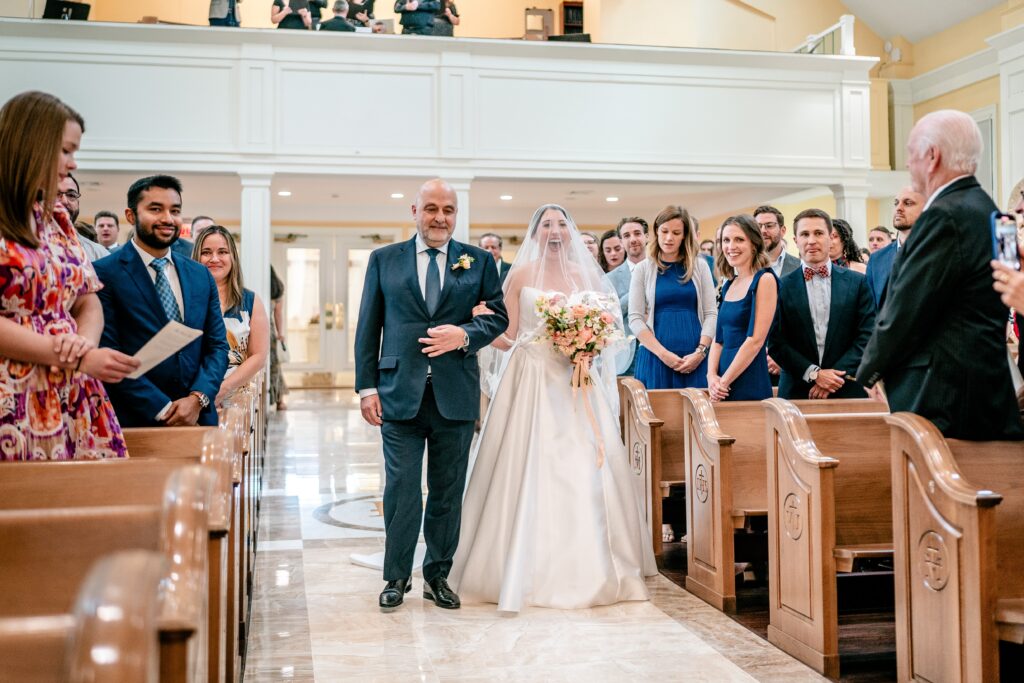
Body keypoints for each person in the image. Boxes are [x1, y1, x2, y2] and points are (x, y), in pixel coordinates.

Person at [450, 203, 656, 612]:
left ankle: (593, 563)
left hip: (577, 380)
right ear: (536, 232)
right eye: (547, 225)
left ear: (571, 230)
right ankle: (511, 564)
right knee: (524, 464)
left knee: (584, 465)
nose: (555, 230)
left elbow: (610, 331)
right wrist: (511, 341)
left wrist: (586, 345)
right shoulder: (521, 275)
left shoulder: (587, 274)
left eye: (561, 223)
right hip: (530, 377)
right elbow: (504, 333)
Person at [354, 179, 508, 611]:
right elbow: (369, 326)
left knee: (446, 490)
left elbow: (497, 317)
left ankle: (437, 575)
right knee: (401, 489)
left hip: (455, 394)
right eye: (432, 209)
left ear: (456, 215)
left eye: (449, 210)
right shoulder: (384, 260)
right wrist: (367, 387)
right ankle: (397, 576)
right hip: (398, 392)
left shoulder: (476, 261)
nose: (440, 217)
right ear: (415, 211)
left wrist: (464, 334)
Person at [859, 109, 1023, 440]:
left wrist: (871, 369)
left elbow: (907, 304)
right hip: (980, 386)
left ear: (932, 156)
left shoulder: (945, 216)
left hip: (944, 394)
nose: (908, 164)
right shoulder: (987, 209)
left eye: (910, 153)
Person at [0, 90, 138, 461]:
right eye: (65, 150)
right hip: (13, 393)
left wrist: (84, 345)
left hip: (72, 387)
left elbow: (87, 299)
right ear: (30, 144)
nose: (73, 163)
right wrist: (68, 355)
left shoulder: (56, 215)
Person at [94, 175, 229, 428]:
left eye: (175, 210)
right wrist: (163, 408)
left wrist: (197, 398)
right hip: (135, 420)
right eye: (155, 209)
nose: (168, 218)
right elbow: (108, 352)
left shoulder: (199, 274)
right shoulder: (104, 273)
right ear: (131, 215)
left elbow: (217, 347)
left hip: (198, 418)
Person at [768, 209, 874, 400]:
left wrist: (833, 377)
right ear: (795, 240)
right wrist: (815, 374)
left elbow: (867, 335)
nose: (811, 240)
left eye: (818, 233)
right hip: (797, 389)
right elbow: (776, 342)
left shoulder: (858, 282)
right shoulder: (780, 285)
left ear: (830, 237)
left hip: (847, 386)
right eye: (804, 234)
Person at [629, 206, 715, 389]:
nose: (669, 238)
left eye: (676, 233)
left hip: (695, 358)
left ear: (684, 235)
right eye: (664, 231)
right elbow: (635, 318)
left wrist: (700, 352)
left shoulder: (700, 266)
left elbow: (711, 314)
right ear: (656, 232)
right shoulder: (643, 268)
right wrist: (663, 354)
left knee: (699, 414)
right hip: (655, 356)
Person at [193, 225, 270, 408]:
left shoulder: (251, 301)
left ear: (233, 257)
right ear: (197, 257)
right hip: (193, 397)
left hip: (236, 399)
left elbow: (258, 355)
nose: (214, 259)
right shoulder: (184, 299)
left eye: (222, 252)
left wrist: (223, 389)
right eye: (206, 252)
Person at [708, 214, 777, 402]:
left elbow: (755, 340)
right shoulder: (730, 283)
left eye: (739, 239)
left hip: (748, 375)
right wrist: (711, 376)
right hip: (722, 379)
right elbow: (718, 337)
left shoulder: (765, 280)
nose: (731, 247)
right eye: (726, 240)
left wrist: (724, 382)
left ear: (754, 244)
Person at [866, 187, 924, 310]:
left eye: (908, 203)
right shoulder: (877, 259)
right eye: (896, 203)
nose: (898, 208)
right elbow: (871, 308)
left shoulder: (940, 252)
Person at [58, 174, 109, 262]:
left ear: (78, 203)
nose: (64, 201)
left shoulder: (99, 254)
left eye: (71, 195)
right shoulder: (29, 250)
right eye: (56, 194)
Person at [605, 216, 648, 319]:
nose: (633, 240)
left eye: (637, 234)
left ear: (646, 237)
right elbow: (610, 315)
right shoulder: (609, 279)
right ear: (621, 242)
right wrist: (639, 288)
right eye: (627, 236)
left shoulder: (662, 270)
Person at [755, 205, 800, 278]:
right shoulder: (744, 265)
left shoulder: (799, 266)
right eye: (758, 226)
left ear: (782, 231)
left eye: (769, 225)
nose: (763, 231)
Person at [269, 266, 289, 410]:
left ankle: (278, 398)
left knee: (273, 365)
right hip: (269, 331)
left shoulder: (274, 289)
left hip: (268, 332)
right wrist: (279, 332)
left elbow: (278, 313)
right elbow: (278, 314)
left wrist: (280, 333)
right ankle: (279, 400)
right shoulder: (276, 289)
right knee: (275, 366)